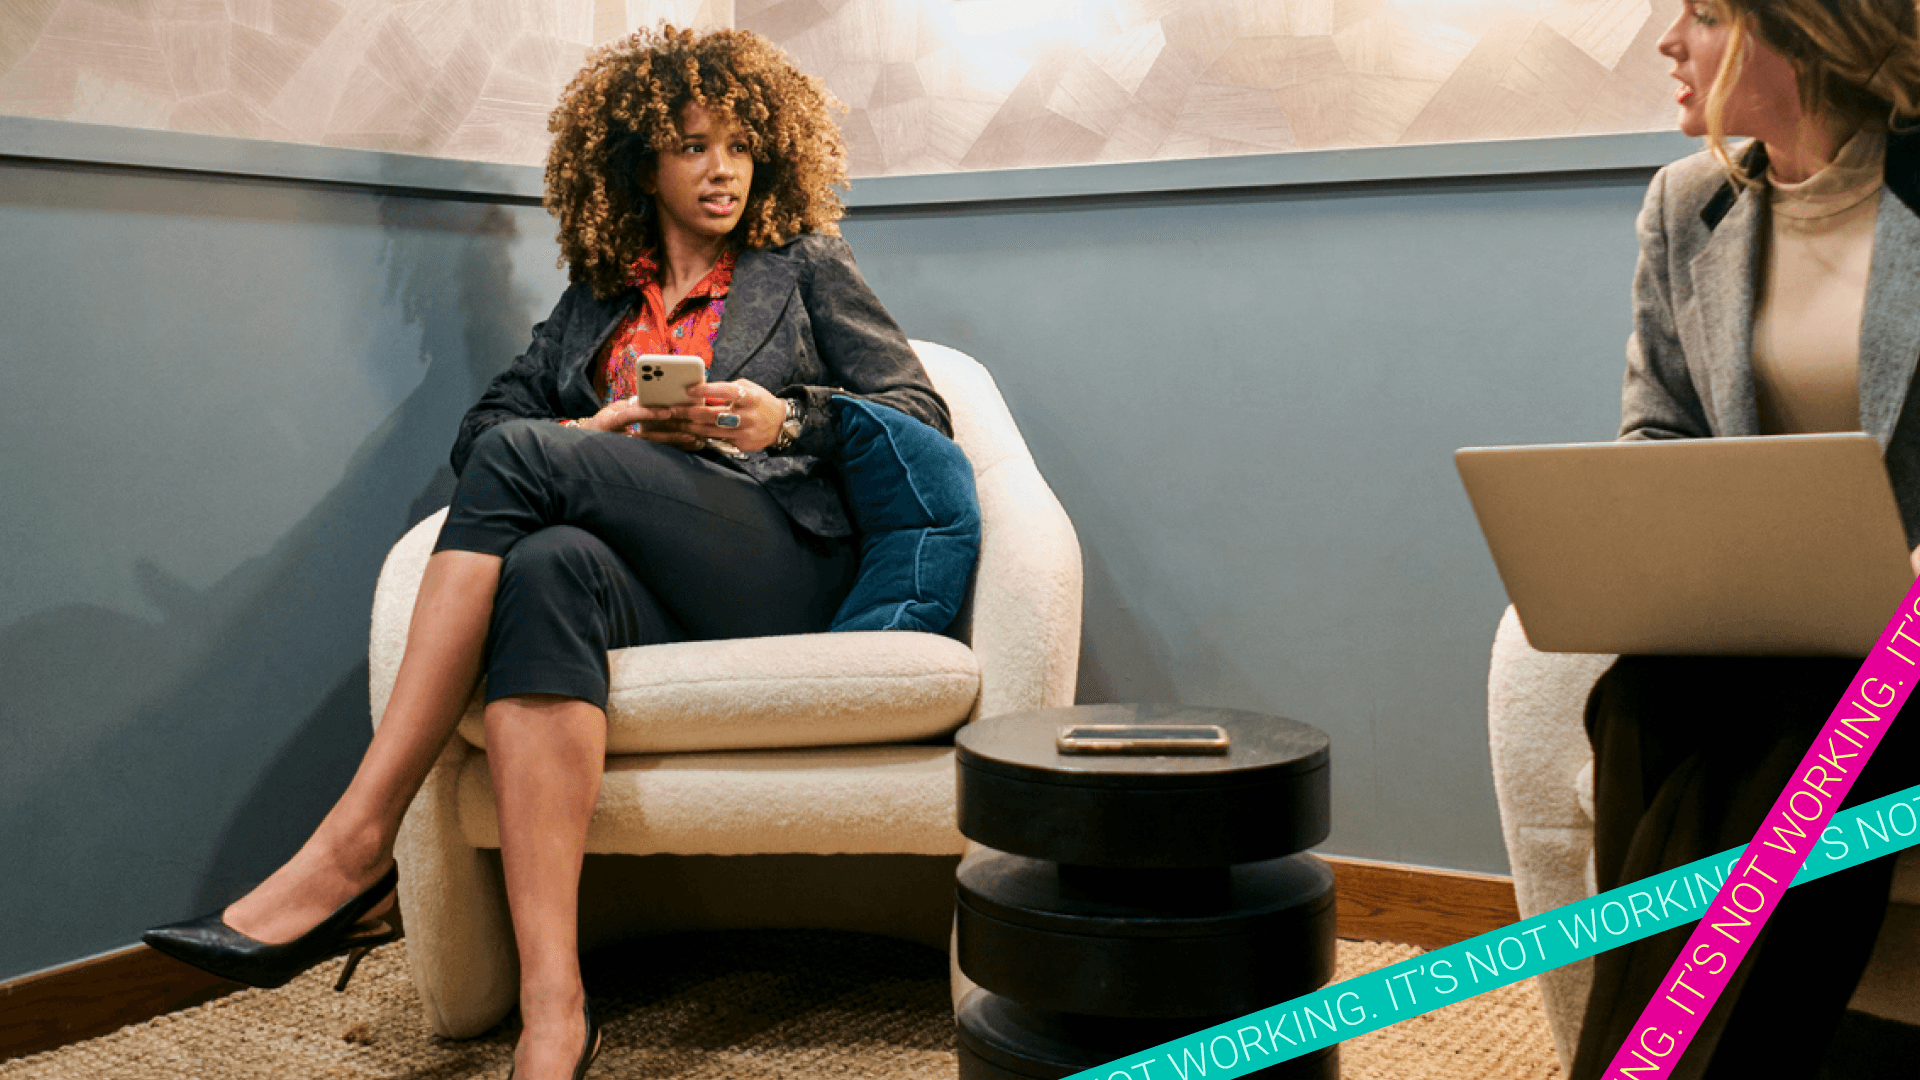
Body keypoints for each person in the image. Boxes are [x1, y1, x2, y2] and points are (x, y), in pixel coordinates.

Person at [143, 26, 947, 1080]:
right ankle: (555, 1011)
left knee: (531, 467)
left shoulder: (804, 268)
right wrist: (599, 435)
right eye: (694, 146)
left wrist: (781, 419)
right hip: (648, 575)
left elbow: (916, 411)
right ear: (641, 161)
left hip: (776, 556)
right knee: (544, 570)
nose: (722, 170)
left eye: (741, 147)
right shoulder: (597, 303)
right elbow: (485, 432)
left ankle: (354, 843)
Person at [1578, 0, 1920, 1076]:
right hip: (1770, 628)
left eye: (1706, 14)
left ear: (1806, 27)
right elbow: (1660, 426)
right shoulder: (1689, 205)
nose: (1669, 44)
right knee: (1641, 694)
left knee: (1806, 725)